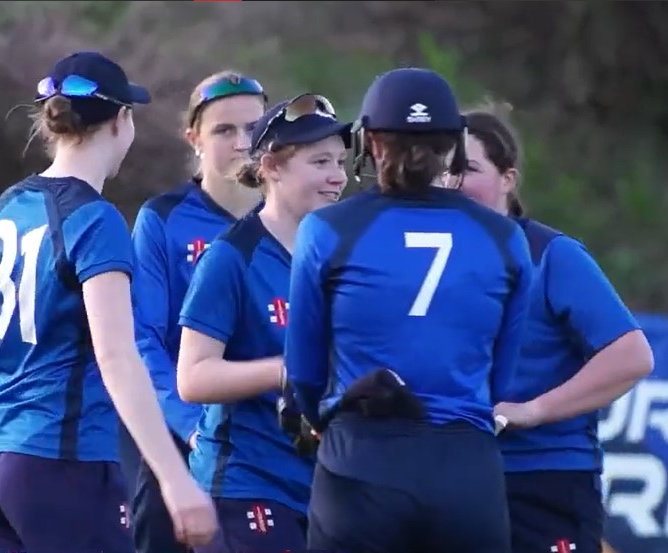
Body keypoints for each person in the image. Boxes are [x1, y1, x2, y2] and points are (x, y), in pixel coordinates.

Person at [0, 51, 217, 553]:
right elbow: (117, 357)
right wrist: (176, 480)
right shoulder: (95, 219)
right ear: (120, 120)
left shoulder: (6, 208)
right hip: (59, 463)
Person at [283, 67, 535, 553]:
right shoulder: (505, 238)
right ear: (452, 147)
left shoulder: (328, 230)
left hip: (361, 462)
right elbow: (500, 380)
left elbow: (303, 372)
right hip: (465, 470)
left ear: (372, 143)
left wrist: (324, 418)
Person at [460, 105, 654, 553]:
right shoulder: (425, 257)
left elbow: (631, 355)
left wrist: (533, 410)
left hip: (544, 479)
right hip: (454, 479)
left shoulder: (551, 255)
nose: (452, 181)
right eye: (444, 169)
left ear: (507, 179)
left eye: (468, 168)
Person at [176, 93, 351, 553]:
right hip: (246, 483)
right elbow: (193, 378)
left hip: (325, 486)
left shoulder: (340, 255)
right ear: (271, 167)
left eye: (340, 162)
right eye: (320, 162)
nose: (338, 176)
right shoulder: (231, 257)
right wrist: (287, 370)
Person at [128, 70, 267, 553]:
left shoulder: (293, 218)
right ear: (194, 139)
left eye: (254, 128)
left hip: (270, 441)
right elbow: (142, 339)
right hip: (181, 440)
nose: (242, 142)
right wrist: (189, 425)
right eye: (224, 130)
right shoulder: (163, 219)